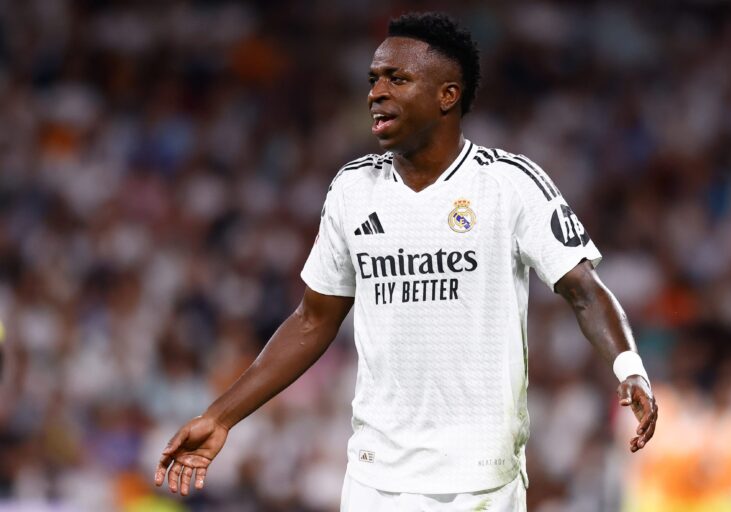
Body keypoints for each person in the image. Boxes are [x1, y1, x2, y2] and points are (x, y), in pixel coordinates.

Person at [154, 12, 658, 511]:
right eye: (374, 79)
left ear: (447, 95)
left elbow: (583, 289)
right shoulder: (352, 189)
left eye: (398, 78)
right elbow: (312, 320)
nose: (377, 92)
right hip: (375, 478)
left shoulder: (509, 184)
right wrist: (220, 417)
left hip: (478, 481)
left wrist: (629, 367)